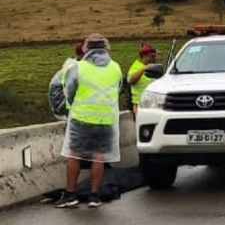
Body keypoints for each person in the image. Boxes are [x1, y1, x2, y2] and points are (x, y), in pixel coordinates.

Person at [55, 33, 123, 209]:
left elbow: (69, 91)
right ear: (105, 48)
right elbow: (118, 89)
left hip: (81, 118)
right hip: (106, 120)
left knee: (74, 155)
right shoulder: (115, 67)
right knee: (98, 157)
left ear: (86, 49)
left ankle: (70, 195)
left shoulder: (78, 67)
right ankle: (94, 196)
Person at [127, 44, 160, 117]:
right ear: (144, 56)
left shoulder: (152, 66)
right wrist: (143, 69)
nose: (154, 59)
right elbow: (130, 81)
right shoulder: (136, 67)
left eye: (155, 56)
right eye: (152, 57)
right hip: (140, 105)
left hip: (152, 103)